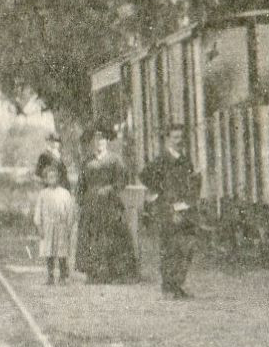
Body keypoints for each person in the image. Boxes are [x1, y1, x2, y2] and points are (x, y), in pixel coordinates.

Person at [141, 124, 199, 299]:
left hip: (184, 207)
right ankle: (168, 286)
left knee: (186, 247)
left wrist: (188, 201)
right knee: (169, 247)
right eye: (175, 137)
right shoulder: (161, 160)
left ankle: (178, 284)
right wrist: (161, 194)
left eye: (181, 137)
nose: (178, 140)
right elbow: (145, 175)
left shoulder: (185, 160)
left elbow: (192, 182)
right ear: (168, 139)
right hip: (167, 209)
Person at [76, 127, 136, 284]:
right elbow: (81, 185)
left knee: (112, 236)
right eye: (96, 140)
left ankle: (113, 273)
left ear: (107, 142)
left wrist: (110, 188)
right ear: (92, 142)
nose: (99, 143)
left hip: (110, 203)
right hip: (91, 205)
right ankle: (93, 273)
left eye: (102, 140)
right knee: (91, 237)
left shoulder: (115, 160)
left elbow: (123, 180)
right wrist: (81, 202)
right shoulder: (87, 161)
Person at [31, 158, 78, 285]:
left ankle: (63, 277)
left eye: (55, 176)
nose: (52, 179)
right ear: (46, 179)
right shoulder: (43, 194)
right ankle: (50, 277)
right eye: (49, 177)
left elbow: (70, 212)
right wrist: (39, 227)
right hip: (47, 226)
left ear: (59, 178)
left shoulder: (65, 193)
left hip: (61, 226)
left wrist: (68, 226)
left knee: (61, 252)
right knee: (49, 251)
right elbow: (38, 212)